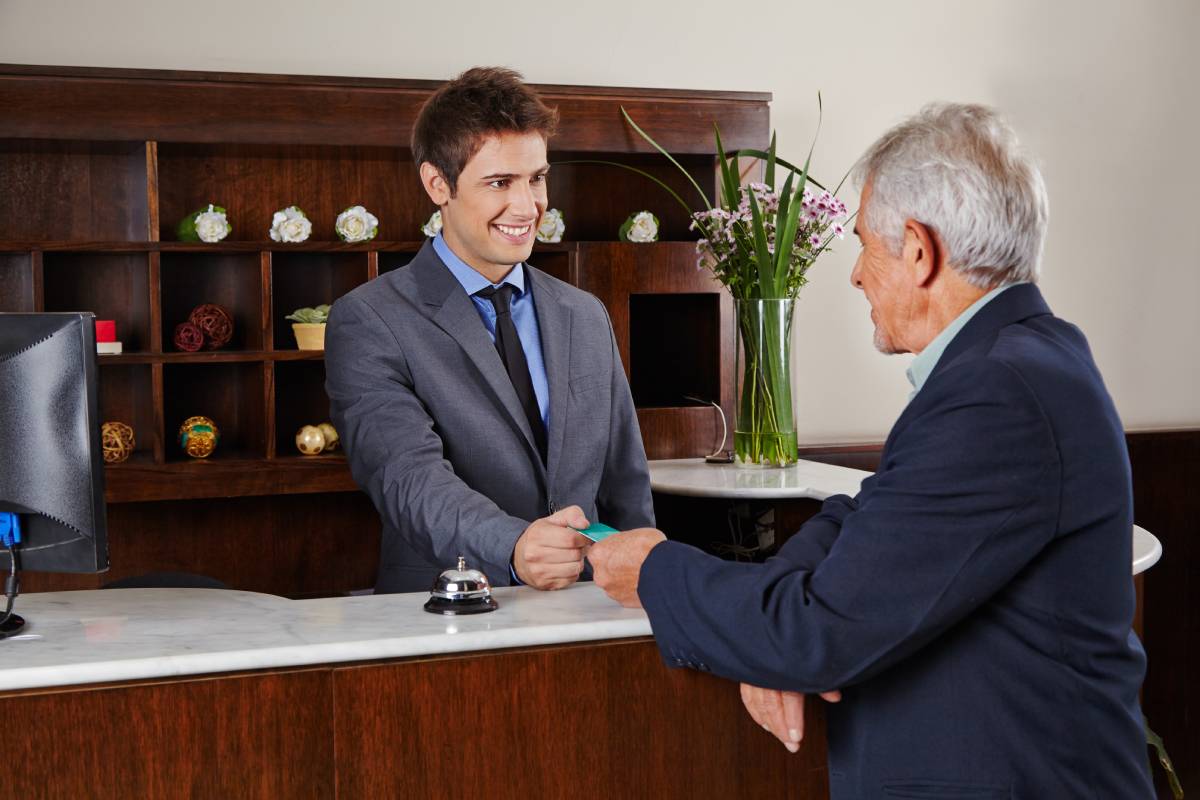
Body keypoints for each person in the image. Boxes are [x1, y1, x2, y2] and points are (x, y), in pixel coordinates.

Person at [588, 103, 1154, 798]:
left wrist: (654, 569)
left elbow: (819, 634)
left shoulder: (996, 389)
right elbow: (868, 514)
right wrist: (775, 618)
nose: (855, 275)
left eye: (864, 244)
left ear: (918, 250)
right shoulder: (1027, 358)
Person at [326, 67, 653, 594]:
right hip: (446, 618)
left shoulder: (585, 313)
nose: (528, 207)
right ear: (437, 183)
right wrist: (515, 547)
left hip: (590, 613)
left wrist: (652, 590)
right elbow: (408, 481)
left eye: (537, 178)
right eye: (500, 182)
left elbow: (625, 487)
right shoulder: (369, 319)